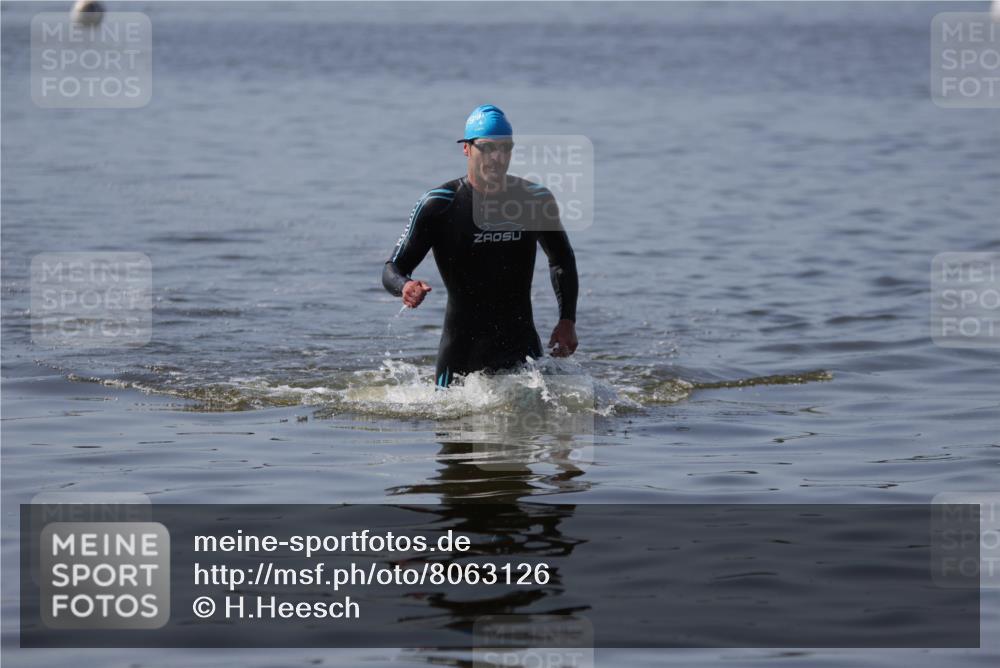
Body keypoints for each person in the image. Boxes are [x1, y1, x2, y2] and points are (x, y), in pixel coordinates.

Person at [382, 105, 579, 388]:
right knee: (451, 427)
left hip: (523, 352)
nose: (497, 157)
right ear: (467, 149)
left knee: (535, 428)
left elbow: (562, 260)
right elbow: (393, 268)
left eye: (504, 148)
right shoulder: (439, 204)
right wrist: (405, 286)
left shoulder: (534, 200)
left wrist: (567, 321)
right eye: (487, 148)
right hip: (460, 354)